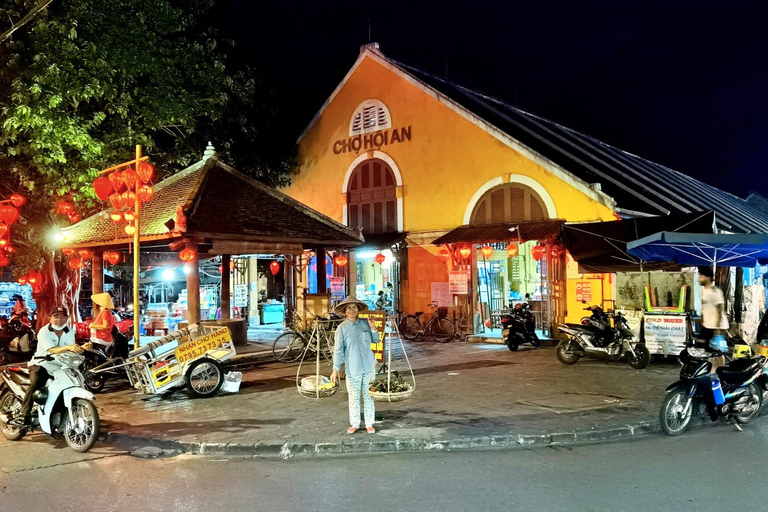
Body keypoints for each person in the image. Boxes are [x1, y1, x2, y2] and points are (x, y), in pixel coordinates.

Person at [13, 306, 84, 426]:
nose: (59, 320)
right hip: (41, 363)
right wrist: (68, 347)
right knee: (35, 384)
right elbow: (52, 349)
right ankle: (25, 415)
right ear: (50, 318)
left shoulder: (69, 331)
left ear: (67, 318)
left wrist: (82, 348)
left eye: (62, 316)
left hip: (59, 365)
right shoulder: (44, 331)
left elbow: (71, 350)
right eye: (56, 317)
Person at [330, 295, 378, 434]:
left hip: (369, 366)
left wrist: (373, 327)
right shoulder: (342, 328)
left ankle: (369, 423)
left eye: (354, 307)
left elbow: (375, 340)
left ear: (358, 309)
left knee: (369, 395)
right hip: (353, 368)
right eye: (349, 308)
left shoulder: (365, 323)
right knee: (354, 396)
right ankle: (355, 423)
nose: (352, 310)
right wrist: (336, 369)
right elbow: (338, 351)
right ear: (345, 311)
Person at [699, 266, 728, 342]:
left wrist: (718, 327)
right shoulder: (702, 291)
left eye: (701, 277)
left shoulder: (716, 291)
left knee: (716, 349)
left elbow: (720, 309)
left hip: (716, 326)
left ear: (708, 278)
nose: (699, 279)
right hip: (707, 325)